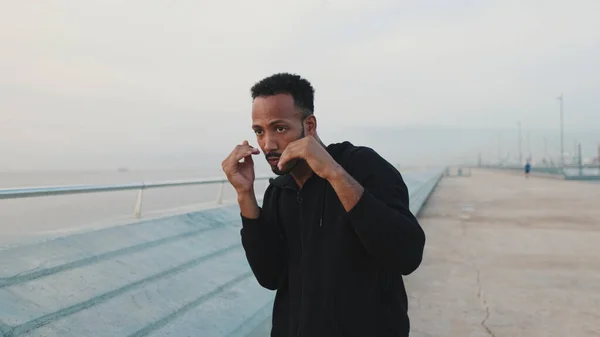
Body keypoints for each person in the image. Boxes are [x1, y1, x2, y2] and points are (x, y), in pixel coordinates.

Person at [221, 73, 425, 337]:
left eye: (279, 128)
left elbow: (406, 255)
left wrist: (334, 173)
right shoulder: (279, 192)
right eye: (259, 131)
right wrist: (244, 194)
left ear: (310, 124)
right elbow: (270, 276)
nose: (268, 144)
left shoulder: (363, 166)